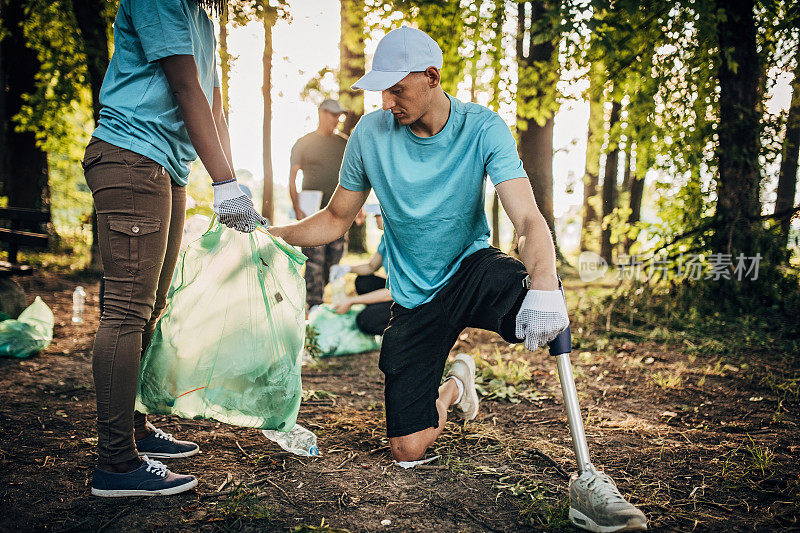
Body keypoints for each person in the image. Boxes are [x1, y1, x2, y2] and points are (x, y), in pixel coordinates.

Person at [270, 26, 646, 532]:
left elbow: (529, 221)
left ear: (431, 77)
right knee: (407, 449)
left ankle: (590, 479)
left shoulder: (482, 127)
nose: (387, 100)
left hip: (472, 270)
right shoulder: (369, 134)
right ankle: (454, 387)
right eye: (381, 89)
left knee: (544, 304)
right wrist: (268, 234)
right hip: (413, 297)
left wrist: (545, 284)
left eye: (397, 88)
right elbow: (335, 218)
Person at [81, 0, 264, 497]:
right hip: (131, 154)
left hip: (167, 166)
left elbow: (213, 101)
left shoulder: (202, 16)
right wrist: (223, 182)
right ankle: (116, 464)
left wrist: (234, 181)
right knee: (126, 311)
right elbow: (184, 87)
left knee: (151, 307)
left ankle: (135, 431)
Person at [289, 99, 349, 311]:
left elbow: (357, 177)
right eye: (333, 114)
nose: (336, 119)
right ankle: (314, 305)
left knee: (333, 262)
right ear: (321, 113)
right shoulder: (303, 143)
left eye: (339, 115)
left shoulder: (344, 143)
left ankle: (320, 298)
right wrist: (297, 208)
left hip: (340, 213)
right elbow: (292, 177)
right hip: (312, 214)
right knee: (314, 262)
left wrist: (356, 208)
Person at [334, 209, 392, 335]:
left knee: (365, 321)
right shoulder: (386, 238)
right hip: (394, 292)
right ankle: (380, 311)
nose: (374, 217)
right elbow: (371, 266)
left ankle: (405, 329)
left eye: (378, 215)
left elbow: (393, 292)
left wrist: (352, 301)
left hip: (408, 299)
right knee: (363, 281)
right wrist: (346, 268)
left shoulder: (400, 242)